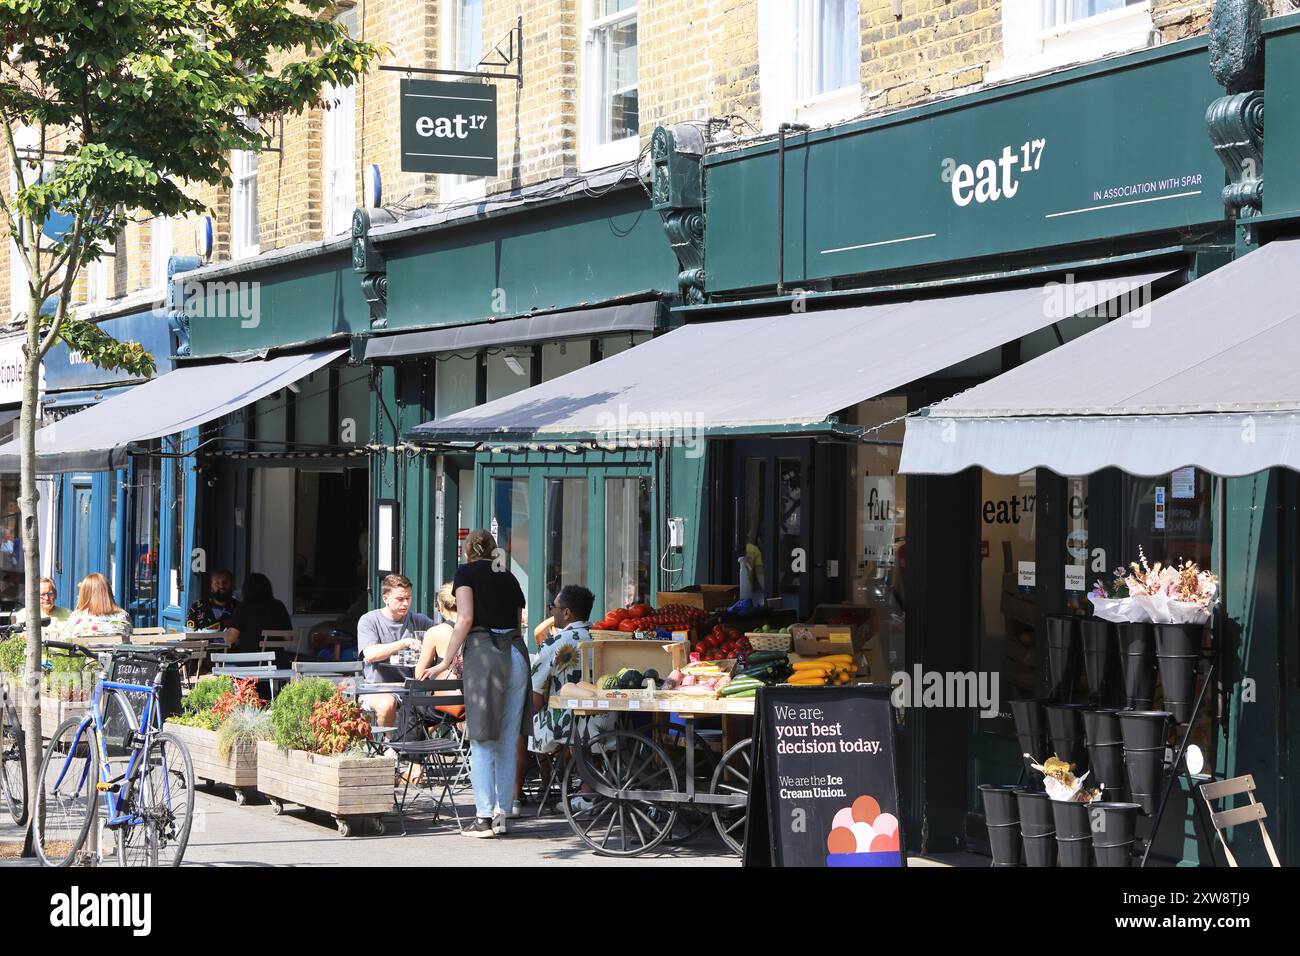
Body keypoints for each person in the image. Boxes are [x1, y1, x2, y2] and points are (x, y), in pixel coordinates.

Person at [426, 529, 529, 838]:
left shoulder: (466, 572)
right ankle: (502, 814)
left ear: (468, 551)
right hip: (516, 654)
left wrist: (446, 660)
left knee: (482, 739)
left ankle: (483, 817)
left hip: (486, 656)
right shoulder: (508, 577)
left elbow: (466, 618)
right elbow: (517, 621)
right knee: (508, 739)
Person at [526, 585, 611, 813]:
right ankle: (590, 786)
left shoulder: (553, 645)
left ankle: (523, 796)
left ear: (566, 613)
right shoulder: (603, 637)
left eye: (553, 607)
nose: (551, 611)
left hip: (567, 722)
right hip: (610, 717)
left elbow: (534, 699)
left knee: (520, 725)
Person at [356, 574, 435, 729]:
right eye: (400, 599)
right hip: (378, 689)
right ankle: (389, 745)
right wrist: (403, 643)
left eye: (409, 598)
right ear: (386, 598)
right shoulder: (369, 620)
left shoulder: (419, 620)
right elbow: (370, 654)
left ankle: (423, 740)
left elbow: (443, 634)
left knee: (448, 699)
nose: (406, 603)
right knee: (387, 703)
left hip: (414, 688)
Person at [223, 573, 292, 656]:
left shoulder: (244, 607)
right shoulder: (279, 606)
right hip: (277, 660)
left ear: (246, 589)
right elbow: (289, 638)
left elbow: (231, 639)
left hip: (250, 661)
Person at [63, 572, 133, 643]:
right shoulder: (123, 616)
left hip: (84, 653)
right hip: (117, 654)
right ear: (108, 592)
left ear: (84, 594)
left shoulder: (76, 617)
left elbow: (65, 642)